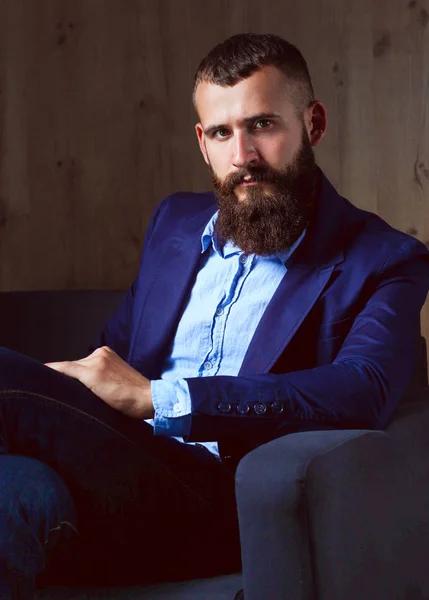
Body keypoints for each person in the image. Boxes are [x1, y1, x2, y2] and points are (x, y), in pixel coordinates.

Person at [1, 32, 429, 600]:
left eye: (263, 125)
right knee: (17, 489)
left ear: (314, 124)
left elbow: (363, 389)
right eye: (223, 133)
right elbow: (112, 363)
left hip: (223, 498)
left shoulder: (383, 258)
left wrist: (163, 399)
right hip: (120, 473)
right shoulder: (174, 223)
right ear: (203, 143)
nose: (243, 156)